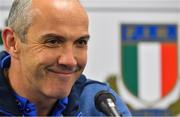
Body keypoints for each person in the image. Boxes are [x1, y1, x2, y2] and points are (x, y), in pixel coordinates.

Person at [0, 0, 131, 116]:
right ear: (12, 42)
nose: (69, 61)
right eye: (53, 41)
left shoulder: (100, 104)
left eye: (81, 42)